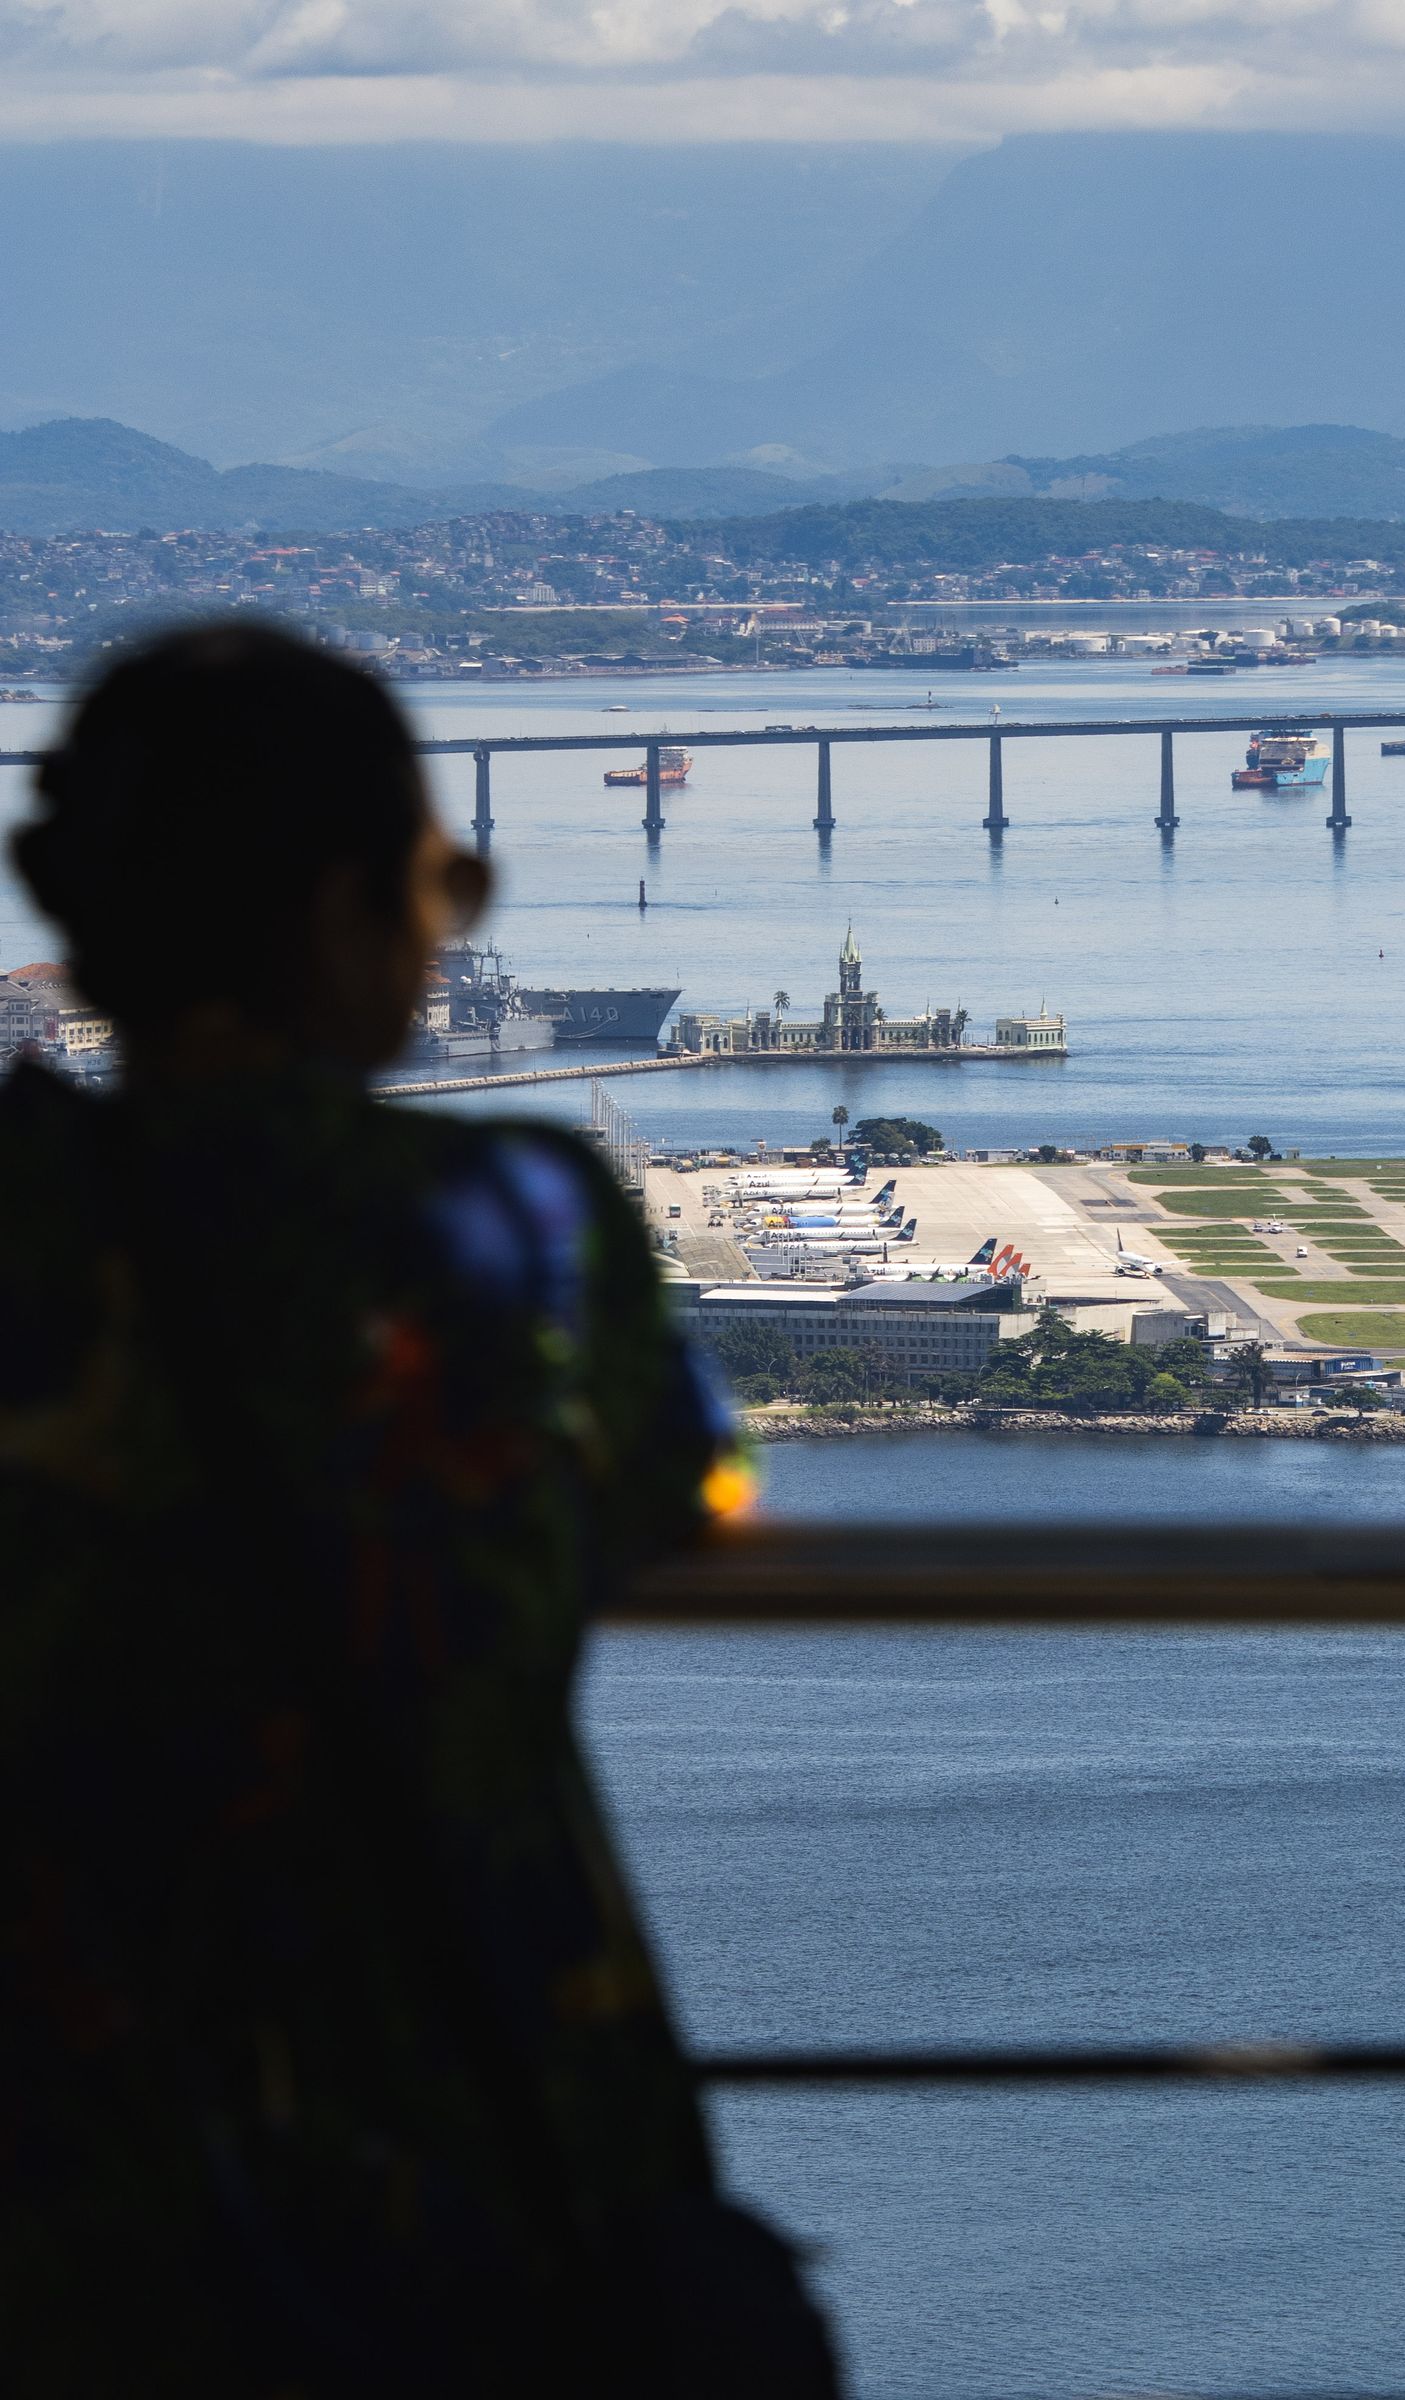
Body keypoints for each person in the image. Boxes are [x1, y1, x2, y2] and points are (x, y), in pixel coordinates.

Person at [0, 626, 842, 2396]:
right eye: (440, 878)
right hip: (479, 2161)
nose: (447, 917)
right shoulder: (514, 1225)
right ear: (334, 918)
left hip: (70, 2186)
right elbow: (690, 1483)